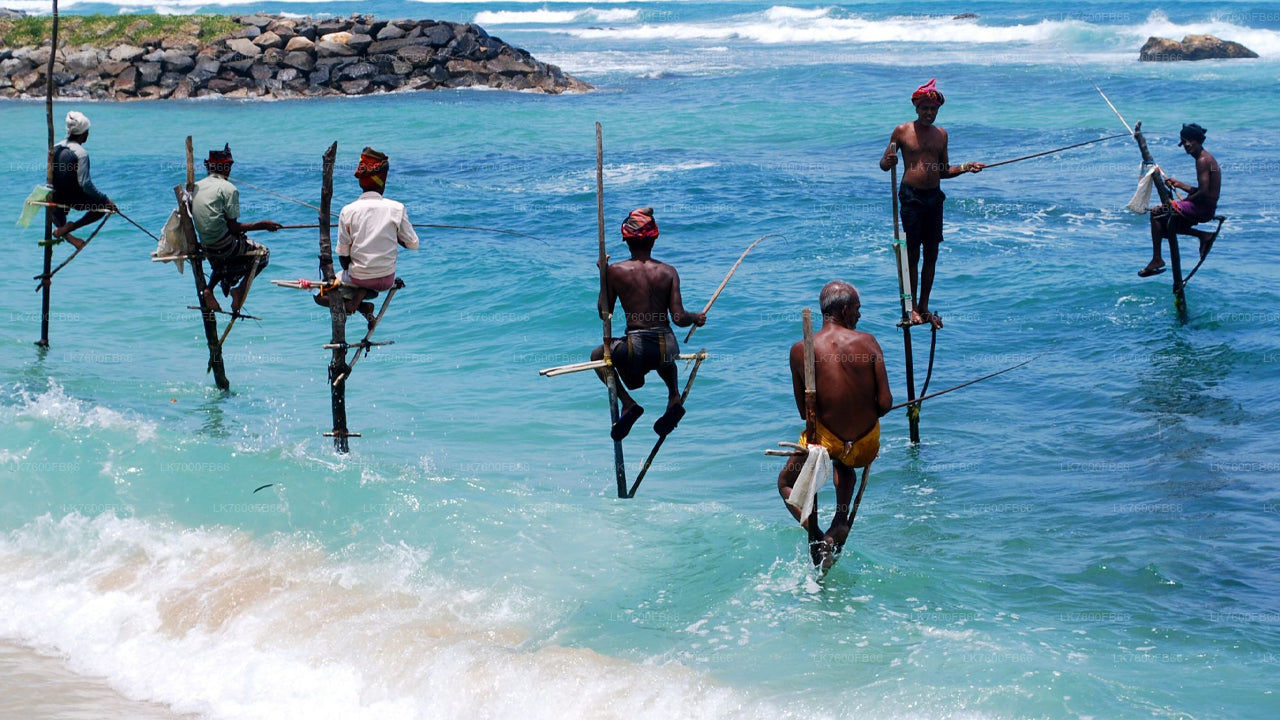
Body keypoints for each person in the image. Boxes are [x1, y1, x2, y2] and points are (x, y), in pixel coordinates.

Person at [777, 281, 892, 566]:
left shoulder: (799, 350)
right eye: (857, 309)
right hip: (864, 445)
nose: (859, 316)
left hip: (825, 444)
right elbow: (886, 404)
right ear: (843, 309)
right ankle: (839, 523)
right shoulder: (868, 342)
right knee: (845, 462)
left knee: (784, 482)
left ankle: (816, 535)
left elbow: (805, 413)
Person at [591, 207, 706, 441]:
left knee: (597, 356)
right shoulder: (669, 271)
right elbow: (678, 318)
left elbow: (605, 313)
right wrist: (696, 317)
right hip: (667, 346)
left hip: (637, 347)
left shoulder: (616, 271)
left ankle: (628, 404)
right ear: (654, 239)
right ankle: (674, 396)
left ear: (626, 240)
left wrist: (603, 275)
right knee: (663, 357)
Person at [879, 78, 985, 329]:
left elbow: (944, 170)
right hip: (911, 197)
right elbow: (884, 165)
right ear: (916, 108)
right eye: (925, 108)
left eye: (933, 109)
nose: (929, 113)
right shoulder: (902, 131)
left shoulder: (942, 135)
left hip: (933, 197)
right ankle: (912, 307)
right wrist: (889, 160)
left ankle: (924, 306)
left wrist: (967, 167)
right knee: (913, 254)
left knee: (932, 254)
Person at [312, 147, 419, 326]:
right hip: (386, 279)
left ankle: (357, 305)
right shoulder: (397, 208)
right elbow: (413, 244)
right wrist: (397, 237)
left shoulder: (348, 211)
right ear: (382, 182)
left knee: (318, 294)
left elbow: (344, 259)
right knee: (362, 276)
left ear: (361, 182)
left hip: (358, 277)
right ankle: (362, 304)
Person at [190, 144, 280, 313]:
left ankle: (209, 289)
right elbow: (233, 226)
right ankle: (239, 290)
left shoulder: (195, 186)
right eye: (229, 166)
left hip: (206, 245)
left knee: (225, 256)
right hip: (224, 245)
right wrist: (263, 225)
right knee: (263, 254)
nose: (230, 170)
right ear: (224, 167)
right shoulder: (229, 189)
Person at [1139, 123, 1221, 277]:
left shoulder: (1203, 160)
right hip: (1207, 207)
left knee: (1157, 213)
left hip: (1202, 209)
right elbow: (1206, 192)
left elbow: (1203, 193)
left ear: (1198, 140)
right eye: (1184, 142)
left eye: (1190, 141)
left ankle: (1157, 258)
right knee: (1163, 229)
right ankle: (1203, 236)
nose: (1187, 145)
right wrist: (1181, 185)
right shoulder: (1207, 158)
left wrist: (1182, 202)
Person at [50, 111, 116, 250]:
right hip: (73, 199)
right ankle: (72, 227)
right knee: (101, 208)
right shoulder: (81, 153)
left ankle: (68, 235)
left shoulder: (54, 148)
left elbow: (51, 175)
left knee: (49, 200)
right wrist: (105, 199)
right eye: (87, 131)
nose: (88, 134)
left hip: (56, 197)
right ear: (83, 134)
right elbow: (85, 184)